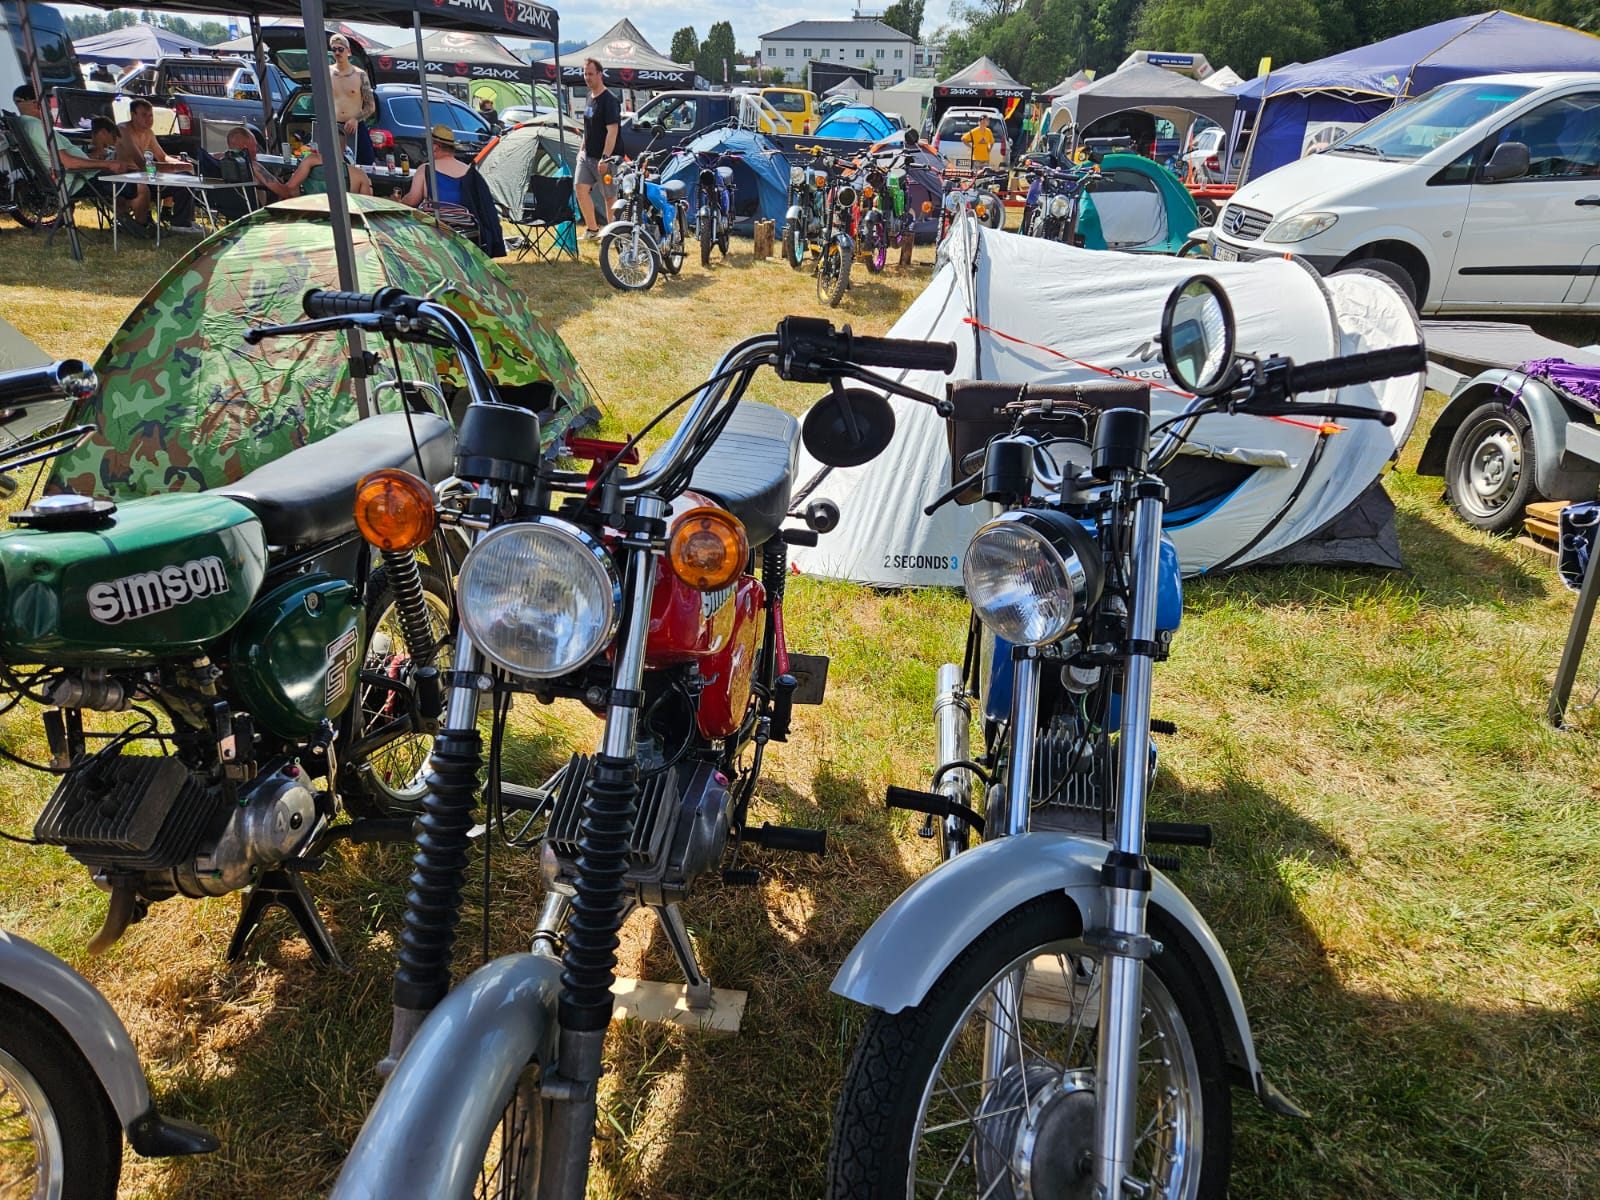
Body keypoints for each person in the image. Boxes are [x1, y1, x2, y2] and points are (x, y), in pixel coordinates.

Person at [400, 124, 505, 257]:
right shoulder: (469, 171)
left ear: (435, 147)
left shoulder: (426, 169)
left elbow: (412, 200)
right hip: (466, 224)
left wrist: (397, 201)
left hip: (437, 226)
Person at [9, 84, 115, 214]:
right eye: (46, 103)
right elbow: (68, 162)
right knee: (134, 182)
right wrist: (107, 164)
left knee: (126, 176)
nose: (48, 107)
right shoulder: (38, 127)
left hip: (72, 178)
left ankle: (123, 222)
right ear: (36, 103)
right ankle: (135, 225)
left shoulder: (26, 124)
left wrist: (90, 158)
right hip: (78, 180)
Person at [115, 97, 202, 235]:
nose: (149, 119)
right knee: (182, 177)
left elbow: (162, 157)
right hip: (130, 178)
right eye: (144, 115)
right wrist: (175, 168)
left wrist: (181, 163)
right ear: (133, 115)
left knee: (186, 176)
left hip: (146, 177)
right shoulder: (123, 130)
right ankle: (180, 224)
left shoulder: (148, 132)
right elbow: (142, 164)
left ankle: (184, 221)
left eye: (151, 115)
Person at [575, 56, 619, 240]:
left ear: (600, 74)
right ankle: (592, 230)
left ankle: (613, 234)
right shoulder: (588, 97)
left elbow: (612, 131)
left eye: (590, 74)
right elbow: (588, 127)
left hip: (605, 158)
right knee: (580, 188)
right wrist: (581, 149)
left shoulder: (609, 100)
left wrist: (605, 157)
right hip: (587, 155)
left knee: (609, 197)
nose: (587, 77)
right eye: (585, 74)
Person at [327, 33, 376, 165]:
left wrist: (355, 119)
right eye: (334, 49)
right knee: (331, 165)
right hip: (334, 127)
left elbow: (370, 106)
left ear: (348, 51)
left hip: (356, 127)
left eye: (341, 49)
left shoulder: (360, 75)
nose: (337, 52)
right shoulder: (326, 73)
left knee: (366, 166)